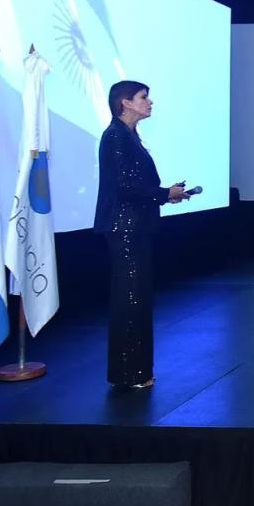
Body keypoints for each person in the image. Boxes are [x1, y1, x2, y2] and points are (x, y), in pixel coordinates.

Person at [95, 81, 190, 390]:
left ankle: (133, 370)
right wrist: (164, 193)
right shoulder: (116, 138)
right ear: (125, 103)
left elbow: (134, 186)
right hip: (126, 228)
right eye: (143, 97)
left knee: (135, 299)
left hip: (135, 226)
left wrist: (167, 195)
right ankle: (130, 372)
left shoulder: (128, 137)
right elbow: (125, 187)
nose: (150, 102)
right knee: (131, 300)